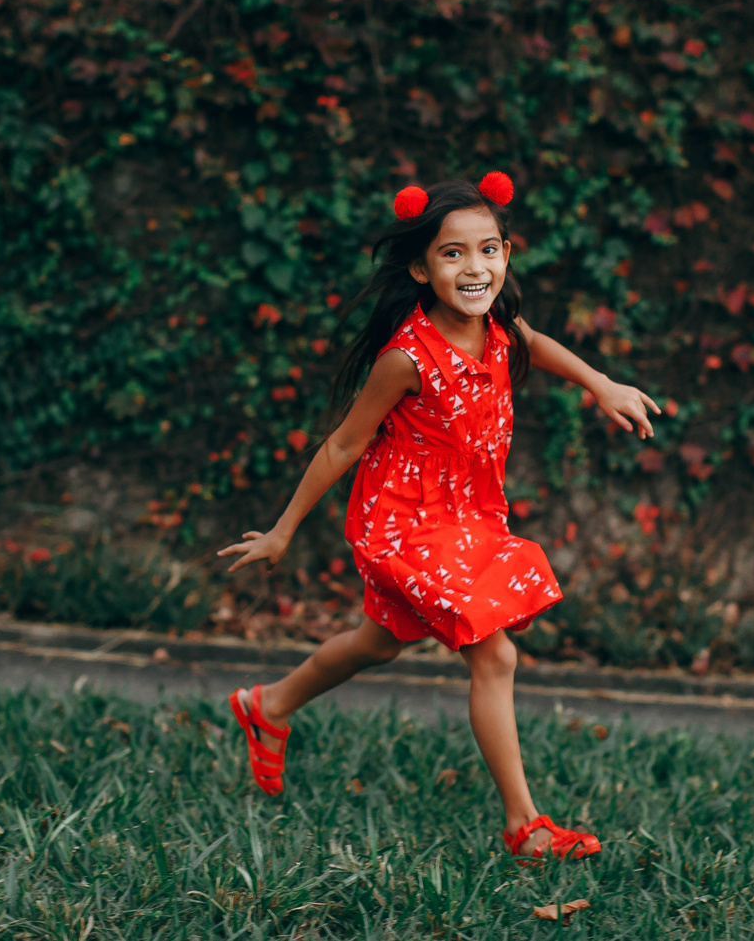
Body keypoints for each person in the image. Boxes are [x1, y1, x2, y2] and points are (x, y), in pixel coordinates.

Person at [218, 172, 660, 861]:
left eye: (488, 249)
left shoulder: (500, 325)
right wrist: (282, 529)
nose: (474, 266)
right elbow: (343, 441)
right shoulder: (406, 356)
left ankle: (267, 705)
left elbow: (535, 342)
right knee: (495, 652)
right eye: (452, 253)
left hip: (467, 515)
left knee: (378, 642)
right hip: (405, 520)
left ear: (507, 254)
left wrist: (601, 384)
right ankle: (525, 826)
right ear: (422, 268)